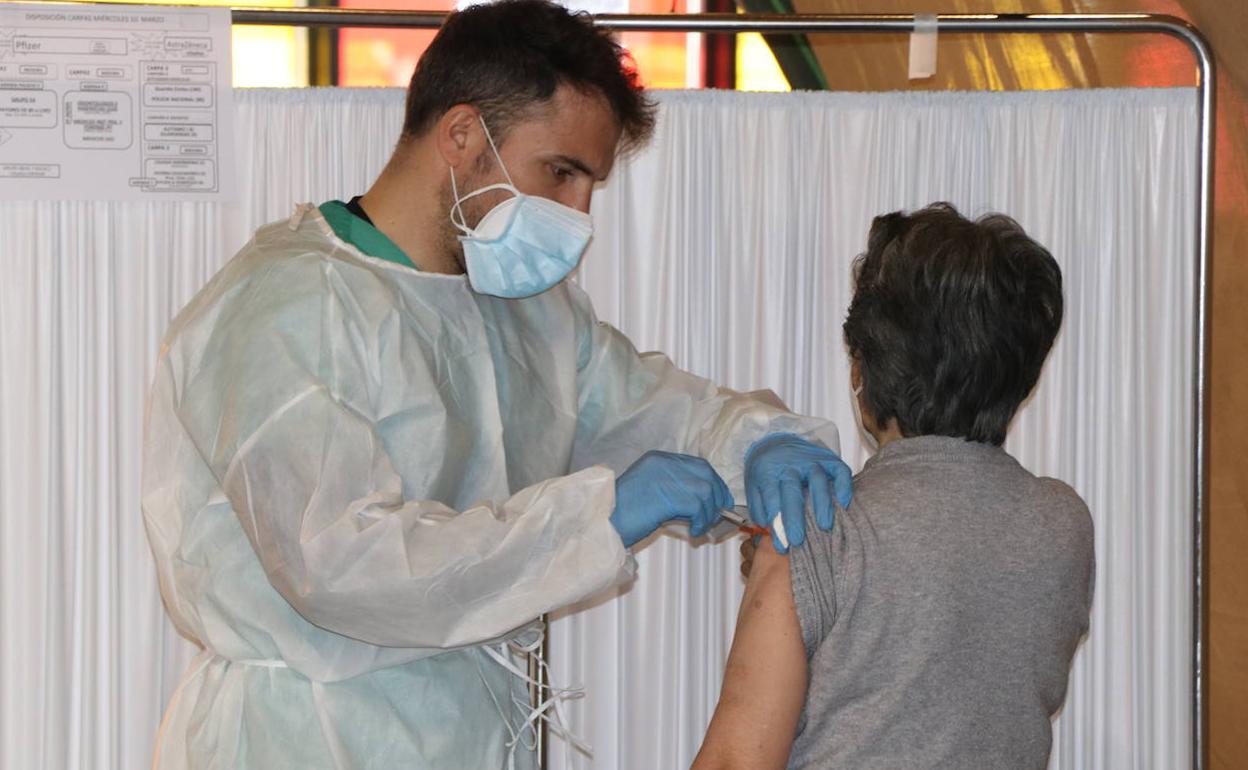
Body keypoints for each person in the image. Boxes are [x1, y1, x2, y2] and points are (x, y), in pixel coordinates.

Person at [141, 2, 851, 768]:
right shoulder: (283, 311)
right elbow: (343, 565)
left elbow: (662, 413)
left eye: (591, 185)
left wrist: (763, 443)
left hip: (476, 735)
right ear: (461, 137)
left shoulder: (527, 318)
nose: (578, 216)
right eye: (562, 172)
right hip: (302, 741)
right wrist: (597, 519)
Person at [692, 203, 1095, 769]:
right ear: (1020, 375)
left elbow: (737, 760)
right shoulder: (1064, 523)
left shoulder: (819, 528)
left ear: (862, 369)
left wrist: (791, 567)